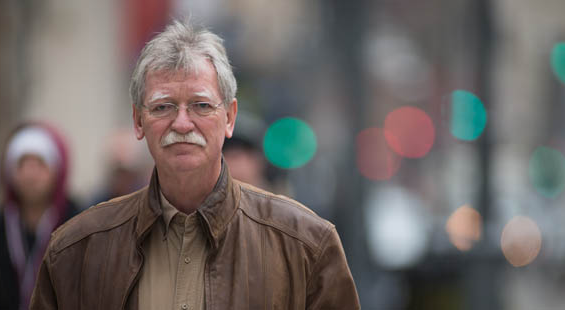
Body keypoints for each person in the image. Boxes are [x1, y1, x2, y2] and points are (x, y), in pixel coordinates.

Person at [30, 20, 360, 309]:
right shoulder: (77, 251)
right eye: (163, 107)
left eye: (201, 105)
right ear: (138, 120)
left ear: (229, 118)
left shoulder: (306, 246)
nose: (182, 124)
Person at [0, 122, 81, 310]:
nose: (30, 174)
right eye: (22, 164)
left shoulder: (80, 227)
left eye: (40, 164)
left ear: (56, 172)